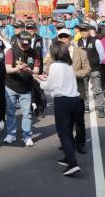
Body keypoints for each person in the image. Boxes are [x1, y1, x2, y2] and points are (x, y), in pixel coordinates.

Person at [35, 42, 82, 176]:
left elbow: (48, 86)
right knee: (68, 131)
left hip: (63, 101)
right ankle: (68, 157)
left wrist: (39, 80)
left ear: (55, 52)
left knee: (63, 133)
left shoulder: (55, 65)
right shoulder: (68, 65)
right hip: (74, 100)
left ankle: (73, 163)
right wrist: (46, 79)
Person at [46, 29, 90, 154]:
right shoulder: (54, 52)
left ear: (70, 38)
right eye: (61, 37)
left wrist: (74, 74)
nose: (63, 39)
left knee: (79, 120)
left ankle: (80, 143)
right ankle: (67, 142)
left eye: (66, 37)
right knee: (65, 121)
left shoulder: (81, 52)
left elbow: (87, 69)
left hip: (77, 91)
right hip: (61, 92)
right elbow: (48, 67)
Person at [4, 31, 40, 147]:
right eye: (23, 44)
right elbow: (8, 69)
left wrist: (29, 70)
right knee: (10, 112)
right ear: (18, 41)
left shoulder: (33, 53)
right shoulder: (11, 51)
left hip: (26, 87)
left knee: (27, 113)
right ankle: (11, 133)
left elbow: (37, 70)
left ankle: (27, 136)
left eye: (27, 44)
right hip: (11, 86)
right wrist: (17, 68)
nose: (25, 46)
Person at [77, 23, 105, 118]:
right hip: (83, 70)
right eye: (81, 30)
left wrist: (96, 64)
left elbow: (102, 56)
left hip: (94, 69)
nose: (83, 32)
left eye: (85, 30)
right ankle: (85, 107)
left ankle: (101, 108)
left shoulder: (96, 41)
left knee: (97, 89)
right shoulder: (78, 42)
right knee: (83, 89)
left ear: (89, 30)